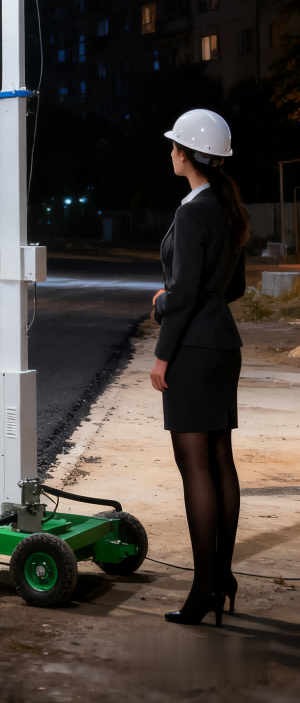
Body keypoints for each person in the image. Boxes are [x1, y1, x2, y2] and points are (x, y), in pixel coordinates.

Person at [149, 109, 249, 626]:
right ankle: (222, 578)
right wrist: (185, 296)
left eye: (173, 146)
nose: (170, 152)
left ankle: (204, 589)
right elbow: (234, 288)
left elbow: (185, 293)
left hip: (191, 350)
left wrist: (163, 338)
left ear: (186, 154)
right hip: (222, 347)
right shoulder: (226, 205)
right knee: (220, 461)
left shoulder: (192, 211)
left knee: (196, 469)